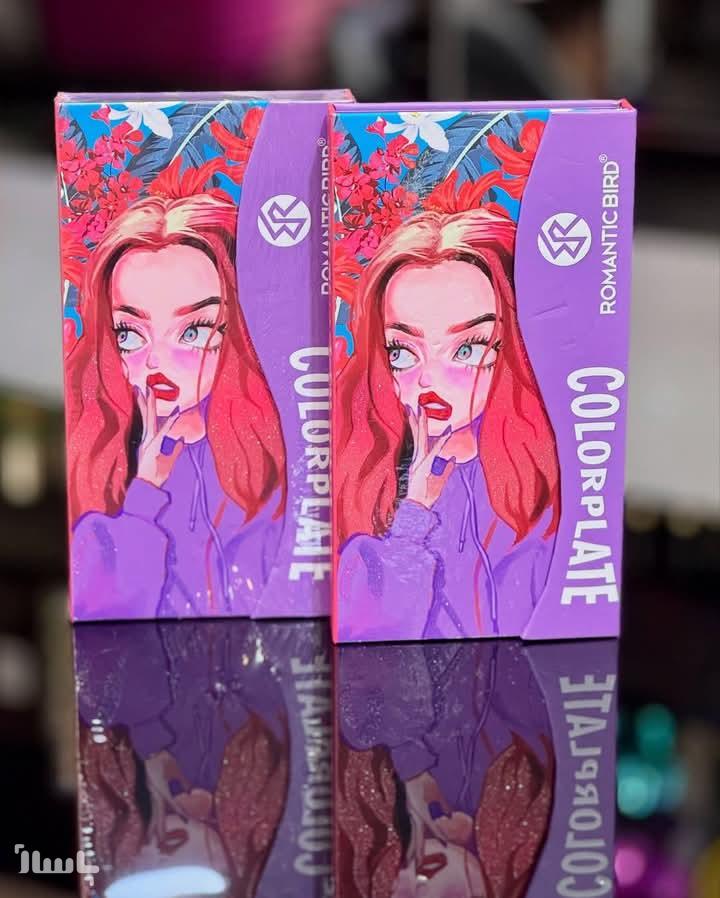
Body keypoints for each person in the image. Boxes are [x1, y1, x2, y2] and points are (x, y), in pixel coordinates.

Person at [336, 208, 560, 640]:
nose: (428, 381)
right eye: (401, 352)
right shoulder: (364, 474)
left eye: (467, 349)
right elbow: (368, 635)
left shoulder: (545, 480)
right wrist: (413, 516)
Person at [66, 194, 286, 618]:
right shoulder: (103, 459)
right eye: (129, 333)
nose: (155, 362)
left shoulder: (276, 454)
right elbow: (106, 613)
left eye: (193, 331)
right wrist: (144, 493)